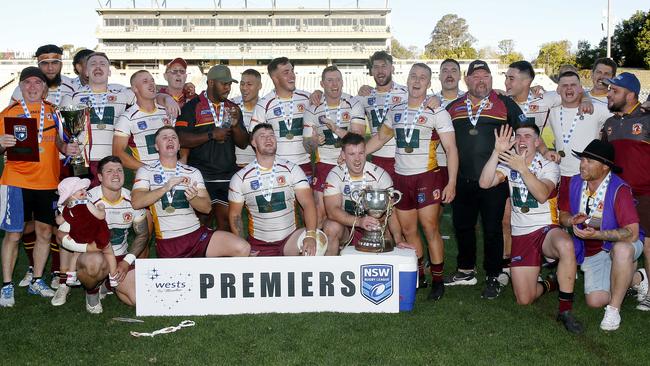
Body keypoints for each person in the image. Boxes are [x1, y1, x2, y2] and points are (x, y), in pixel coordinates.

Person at [366, 63, 459, 300]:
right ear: (406, 80)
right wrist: (354, 155)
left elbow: (451, 148)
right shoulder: (395, 110)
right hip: (401, 178)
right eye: (413, 77)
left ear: (429, 84)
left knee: (430, 228)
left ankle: (438, 280)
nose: (417, 81)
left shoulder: (437, 111)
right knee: (408, 230)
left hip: (427, 176)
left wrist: (452, 183)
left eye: (423, 78)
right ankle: (419, 273)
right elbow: (379, 139)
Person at [479, 123, 583, 334]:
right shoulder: (509, 164)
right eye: (518, 136)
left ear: (537, 142)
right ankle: (549, 284)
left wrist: (523, 169)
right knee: (524, 299)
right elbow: (484, 183)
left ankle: (565, 310)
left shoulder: (548, 165)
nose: (522, 139)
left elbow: (542, 194)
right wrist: (496, 153)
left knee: (565, 244)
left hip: (546, 229)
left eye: (528, 136)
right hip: (521, 234)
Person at [444, 60, 525, 299]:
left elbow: (525, 133)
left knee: (492, 228)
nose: (481, 81)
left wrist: (540, 151)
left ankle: (493, 274)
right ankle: (465, 270)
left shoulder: (505, 103)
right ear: (467, 80)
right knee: (463, 226)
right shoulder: (453, 107)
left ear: (492, 80)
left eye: (486, 76)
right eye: (476, 76)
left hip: (494, 179)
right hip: (462, 178)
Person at [0, 67, 79, 307]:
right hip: (16, 181)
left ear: (45, 87)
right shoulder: (8, 114)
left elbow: (60, 142)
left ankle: (36, 280)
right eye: (27, 83)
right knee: (13, 234)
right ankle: (6, 286)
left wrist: (68, 149)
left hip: (47, 182)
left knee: (45, 232)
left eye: (38, 83)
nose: (33, 87)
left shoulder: (54, 113)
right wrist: (1, 145)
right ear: (21, 87)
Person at [558, 139, 645, 331]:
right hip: (593, 250)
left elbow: (632, 232)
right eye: (582, 159)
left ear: (605, 167)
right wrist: (571, 221)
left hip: (620, 244)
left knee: (622, 250)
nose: (582, 164)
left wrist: (597, 235)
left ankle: (614, 310)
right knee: (595, 300)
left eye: (589, 161)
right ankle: (637, 278)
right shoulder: (574, 182)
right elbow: (562, 214)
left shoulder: (619, 189)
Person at [131, 126, 250, 259]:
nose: (170, 140)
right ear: (156, 146)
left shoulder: (192, 172)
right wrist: (165, 188)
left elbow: (206, 208)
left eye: (173, 137)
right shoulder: (146, 171)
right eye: (165, 138)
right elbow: (136, 202)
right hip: (169, 241)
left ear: (178, 145)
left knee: (242, 248)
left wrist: (193, 198)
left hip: (196, 235)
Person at [57, 156, 148, 311]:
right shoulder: (84, 198)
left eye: (119, 170)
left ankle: (107, 283)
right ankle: (92, 293)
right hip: (94, 253)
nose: (116, 174)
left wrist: (127, 261)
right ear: (99, 177)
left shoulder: (133, 200)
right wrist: (87, 248)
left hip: (119, 256)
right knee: (93, 263)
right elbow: (60, 236)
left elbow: (142, 235)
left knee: (136, 299)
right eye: (109, 171)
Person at [229, 123, 320, 256]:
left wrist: (310, 236)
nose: (268, 139)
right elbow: (235, 216)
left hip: (290, 240)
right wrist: (243, 247)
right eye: (262, 136)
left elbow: (308, 203)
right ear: (253, 142)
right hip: (259, 243)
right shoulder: (240, 178)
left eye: (271, 135)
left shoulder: (292, 169)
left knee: (318, 241)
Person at [176, 65, 249, 231]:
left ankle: (230, 255)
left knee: (227, 224)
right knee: (202, 225)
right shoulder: (191, 106)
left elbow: (243, 143)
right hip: (200, 175)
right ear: (210, 82)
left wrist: (236, 126)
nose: (228, 88)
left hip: (227, 174)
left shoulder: (233, 108)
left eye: (230, 84)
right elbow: (180, 138)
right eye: (223, 83)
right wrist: (211, 135)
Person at [601, 72, 650, 310]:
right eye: (609, 90)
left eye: (614, 91)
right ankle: (638, 280)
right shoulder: (609, 124)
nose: (609, 94)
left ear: (630, 95)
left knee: (649, 244)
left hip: (646, 194)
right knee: (618, 245)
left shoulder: (648, 119)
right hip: (619, 197)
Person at [303, 65, 366, 227]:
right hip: (324, 164)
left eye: (337, 80)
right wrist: (314, 142)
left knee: (352, 209)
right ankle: (321, 247)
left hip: (350, 163)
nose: (334, 84)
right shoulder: (312, 108)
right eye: (329, 80)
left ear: (343, 82)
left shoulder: (353, 103)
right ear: (322, 84)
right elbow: (307, 145)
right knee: (320, 212)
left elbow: (357, 139)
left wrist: (336, 129)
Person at [322, 133, 403, 255]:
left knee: (384, 231)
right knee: (331, 227)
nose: (357, 159)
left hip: (374, 230)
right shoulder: (335, 175)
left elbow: (391, 212)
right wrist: (359, 222)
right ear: (343, 155)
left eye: (361, 153)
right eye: (352, 154)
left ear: (366, 152)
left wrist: (398, 240)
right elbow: (332, 211)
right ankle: (331, 270)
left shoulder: (380, 175)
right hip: (347, 228)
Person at [250, 57, 313, 181]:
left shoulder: (308, 98)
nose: (292, 76)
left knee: (306, 200)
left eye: (292, 71)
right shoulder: (264, 104)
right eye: (286, 72)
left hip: (304, 165)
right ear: (275, 78)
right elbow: (254, 138)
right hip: (277, 167)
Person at [548, 71, 611, 190]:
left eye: (573, 85)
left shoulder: (595, 109)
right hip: (560, 174)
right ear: (558, 89)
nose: (569, 88)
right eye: (564, 85)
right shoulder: (551, 111)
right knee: (562, 209)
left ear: (581, 89)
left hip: (588, 176)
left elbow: (621, 112)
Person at [56, 177, 117, 291]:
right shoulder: (86, 203)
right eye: (80, 190)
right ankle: (113, 277)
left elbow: (59, 221)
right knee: (109, 253)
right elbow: (100, 216)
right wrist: (101, 208)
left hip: (79, 237)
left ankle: (70, 277)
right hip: (97, 235)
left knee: (76, 254)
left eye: (84, 189)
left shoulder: (66, 208)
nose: (84, 192)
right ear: (71, 194)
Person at [356, 51, 408, 178]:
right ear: (372, 71)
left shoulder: (406, 93)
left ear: (392, 68)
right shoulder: (364, 97)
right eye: (376, 67)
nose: (380, 71)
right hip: (377, 157)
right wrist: (318, 92)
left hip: (403, 158)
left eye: (384, 66)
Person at [113, 70, 171, 170]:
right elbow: (117, 153)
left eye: (152, 80)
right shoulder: (127, 118)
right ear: (135, 88)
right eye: (145, 81)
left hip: (171, 173)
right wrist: (149, 170)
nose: (151, 84)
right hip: (146, 179)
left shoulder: (166, 112)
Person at [10, 44, 74, 106]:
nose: (50, 68)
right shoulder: (23, 89)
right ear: (38, 65)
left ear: (61, 64)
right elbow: (10, 115)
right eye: (45, 63)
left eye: (55, 63)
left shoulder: (72, 87)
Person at [232, 69, 263, 167]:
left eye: (249, 84)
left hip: (257, 168)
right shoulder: (231, 105)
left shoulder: (265, 107)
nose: (244, 88)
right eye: (242, 84)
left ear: (259, 86)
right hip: (232, 167)